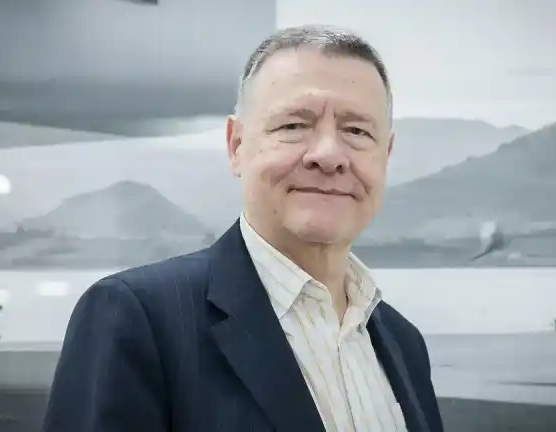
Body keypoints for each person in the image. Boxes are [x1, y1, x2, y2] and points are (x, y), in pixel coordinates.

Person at [43, 25, 443, 432]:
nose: (328, 155)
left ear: (386, 154)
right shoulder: (138, 319)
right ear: (236, 145)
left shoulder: (404, 343)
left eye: (357, 131)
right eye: (294, 125)